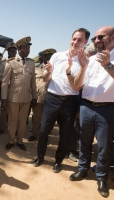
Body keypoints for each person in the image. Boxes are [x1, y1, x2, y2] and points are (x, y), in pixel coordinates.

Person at [33, 28, 90, 174]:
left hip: (70, 101)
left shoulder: (84, 62)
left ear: (85, 42)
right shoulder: (57, 56)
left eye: (80, 40)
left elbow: (76, 86)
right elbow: (46, 79)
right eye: (74, 38)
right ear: (71, 39)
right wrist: (48, 71)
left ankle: (58, 161)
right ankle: (40, 157)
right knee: (44, 131)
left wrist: (69, 71)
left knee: (65, 134)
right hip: (52, 99)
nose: (76, 42)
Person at [69, 26, 114, 198]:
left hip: (107, 109)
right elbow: (78, 85)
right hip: (86, 106)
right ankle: (82, 169)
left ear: (112, 37)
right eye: (95, 38)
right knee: (84, 142)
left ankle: (102, 178)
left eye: (101, 37)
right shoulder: (90, 59)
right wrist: (82, 67)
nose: (97, 41)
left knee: (104, 146)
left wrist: (108, 64)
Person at [1, 37, 37, 151]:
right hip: (13, 98)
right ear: (19, 49)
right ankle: (11, 140)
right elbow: (5, 83)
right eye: (25, 48)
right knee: (12, 121)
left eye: (29, 48)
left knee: (22, 122)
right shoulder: (11, 63)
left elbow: (33, 83)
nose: (28, 50)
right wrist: (3, 99)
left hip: (26, 98)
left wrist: (35, 97)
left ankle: (20, 140)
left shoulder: (31, 63)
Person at [28, 48, 56, 142]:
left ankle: (44, 137)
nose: (48, 59)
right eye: (46, 57)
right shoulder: (36, 69)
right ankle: (35, 134)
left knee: (48, 120)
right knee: (36, 118)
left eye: (50, 57)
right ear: (43, 58)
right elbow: (32, 84)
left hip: (51, 99)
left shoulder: (57, 70)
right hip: (38, 98)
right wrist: (33, 97)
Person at [0, 42, 17, 135]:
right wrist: (6, 83)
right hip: (5, 90)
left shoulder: (19, 62)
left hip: (16, 91)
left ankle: (14, 128)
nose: (13, 53)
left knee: (14, 111)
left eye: (14, 51)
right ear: (8, 52)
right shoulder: (3, 63)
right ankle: (2, 127)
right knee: (4, 109)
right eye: (11, 51)